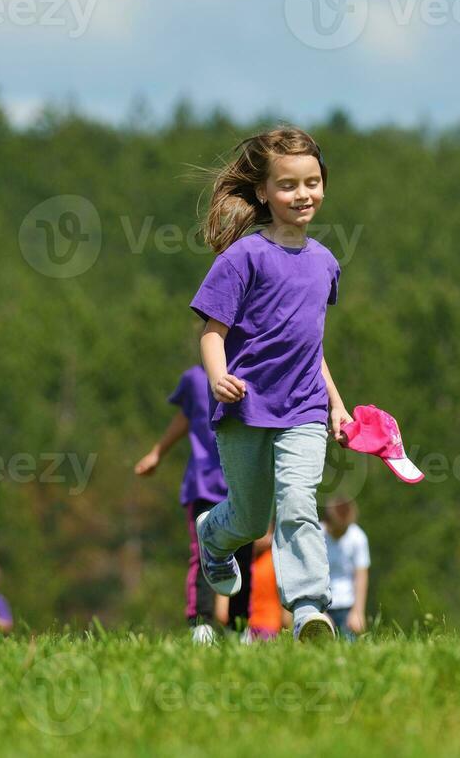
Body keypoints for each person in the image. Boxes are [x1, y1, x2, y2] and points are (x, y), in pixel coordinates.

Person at [189, 126, 352, 643]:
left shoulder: (326, 263)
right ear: (263, 192)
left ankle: (307, 608)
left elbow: (311, 347)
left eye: (312, 182)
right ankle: (213, 536)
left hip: (303, 408)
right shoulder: (242, 258)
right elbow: (212, 334)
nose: (302, 194)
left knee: (299, 499)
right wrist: (219, 378)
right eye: (288, 185)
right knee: (250, 517)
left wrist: (337, 408)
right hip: (245, 410)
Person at [136, 362, 254, 643]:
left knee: (244, 556)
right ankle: (202, 623)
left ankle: (239, 627)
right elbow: (186, 416)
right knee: (203, 552)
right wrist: (157, 453)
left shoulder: (250, 370)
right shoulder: (194, 379)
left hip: (243, 482)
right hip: (205, 483)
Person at [322, 496, 370, 640]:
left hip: (346, 607)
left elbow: (361, 576)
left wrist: (358, 611)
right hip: (322, 605)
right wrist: (318, 611)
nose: (342, 533)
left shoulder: (358, 537)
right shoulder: (317, 534)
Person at [245, 530, 288, 641]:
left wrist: (286, 622)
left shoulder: (274, 561)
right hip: (249, 625)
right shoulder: (247, 561)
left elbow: (284, 594)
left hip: (270, 626)